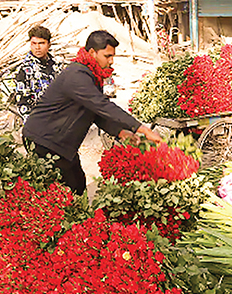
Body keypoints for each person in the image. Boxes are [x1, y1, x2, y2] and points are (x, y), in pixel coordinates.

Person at [22, 30, 161, 195]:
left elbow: (94, 112)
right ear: (92, 53)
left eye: (112, 56)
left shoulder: (92, 74)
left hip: (61, 141)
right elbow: (102, 105)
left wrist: (121, 132)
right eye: (107, 56)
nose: (111, 61)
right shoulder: (76, 75)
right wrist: (141, 128)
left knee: (77, 183)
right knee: (64, 190)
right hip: (44, 140)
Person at [15, 25, 62, 121]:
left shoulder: (56, 65)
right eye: (34, 43)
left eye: (41, 43)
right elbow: (23, 104)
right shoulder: (25, 70)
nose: (37, 47)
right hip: (39, 122)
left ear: (49, 45)